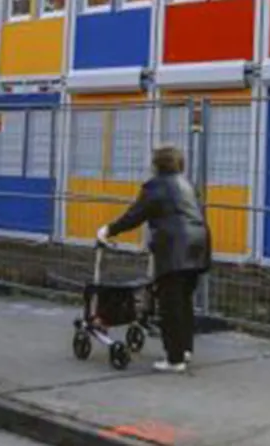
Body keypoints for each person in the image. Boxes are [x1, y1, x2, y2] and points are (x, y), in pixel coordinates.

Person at [96, 145, 211, 373]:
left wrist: (109, 230)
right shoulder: (187, 185)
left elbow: (135, 215)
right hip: (199, 245)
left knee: (170, 305)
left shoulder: (155, 186)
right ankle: (185, 350)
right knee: (184, 302)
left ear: (156, 165)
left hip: (175, 250)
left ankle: (174, 359)